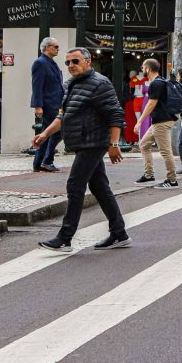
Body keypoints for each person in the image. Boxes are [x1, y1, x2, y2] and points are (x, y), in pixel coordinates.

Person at [33, 48, 129, 252]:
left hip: (93, 143)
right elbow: (63, 116)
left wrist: (114, 144)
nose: (70, 66)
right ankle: (119, 233)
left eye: (75, 61)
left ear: (87, 61)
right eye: (67, 63)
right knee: (100, 188)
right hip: (82, 142)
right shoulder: (70, 85)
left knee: (75, 185)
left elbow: (115, 114)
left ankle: (65, 237)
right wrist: (45, 134)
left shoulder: (100, 83)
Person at [134, 58, 179, 189]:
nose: (142, 69)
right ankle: (149, 175)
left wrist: (139, 121)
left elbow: (151, 103)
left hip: (162, 121)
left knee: (165, 151)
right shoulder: (161, 81)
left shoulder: (156, 84)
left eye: (143, 67)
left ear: (148, 69)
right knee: (143, 145)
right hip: (158, 122)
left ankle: (172, 180)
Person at [30, 37, 64, 173]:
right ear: (46, 47)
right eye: (55, 47)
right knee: (54, 131)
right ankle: (45, 161)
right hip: (48, 104)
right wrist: (38, 105)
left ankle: (40, 162)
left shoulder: (51, 63)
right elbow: (36, 85)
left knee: (48, 132)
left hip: (56, 103)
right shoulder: (40, 63)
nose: (57, 49)